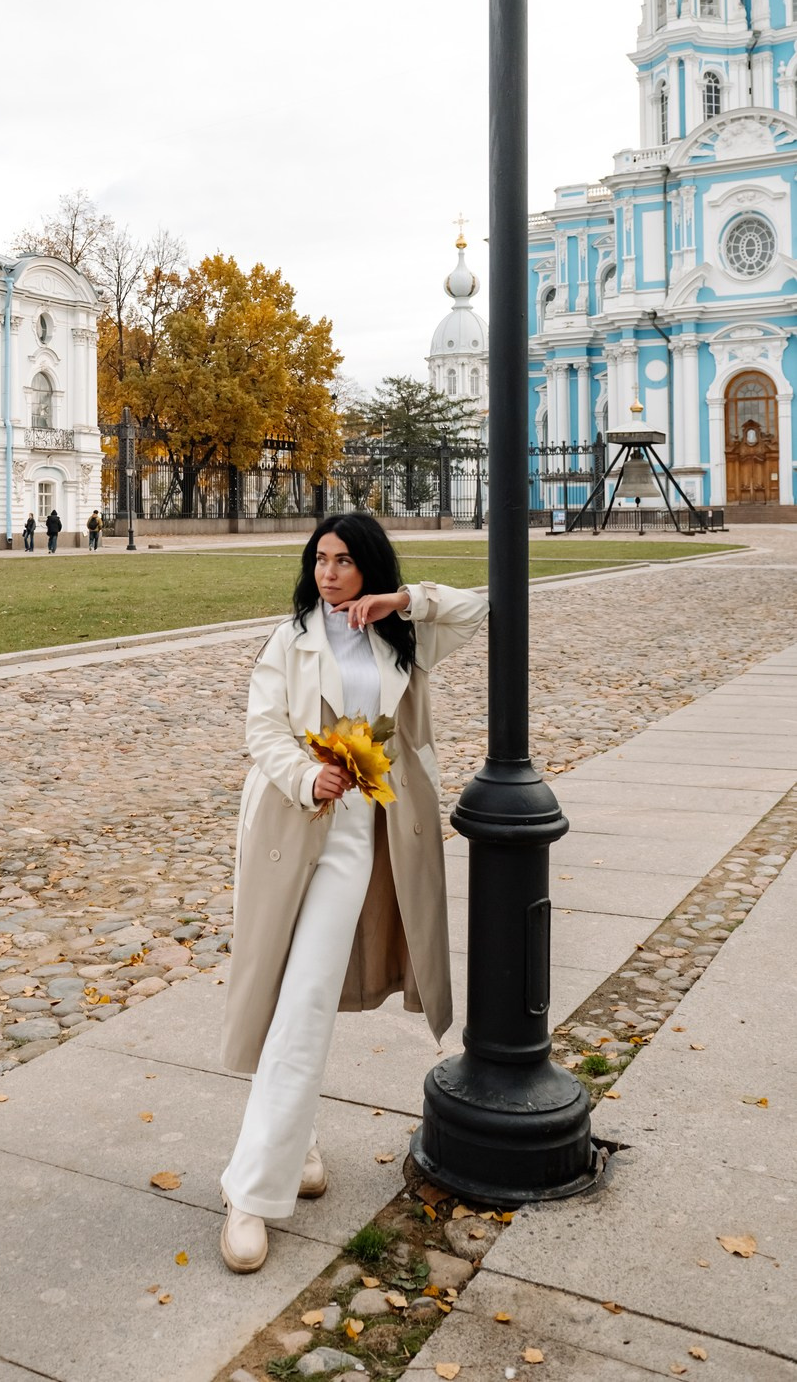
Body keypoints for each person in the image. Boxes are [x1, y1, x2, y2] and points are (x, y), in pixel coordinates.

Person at [218, 513, 487, 1275]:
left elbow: (480, 608)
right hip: (292, 822)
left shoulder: (402, 638)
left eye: (343, 560)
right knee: (286, 992)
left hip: (364, 834)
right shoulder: (291, 638)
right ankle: (278, 1161)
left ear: (370, 566)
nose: (329, 573)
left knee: (307, 994)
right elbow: (262, 729)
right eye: (320, 559)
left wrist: (403, 601)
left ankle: (254, 1186)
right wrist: (308, 775)